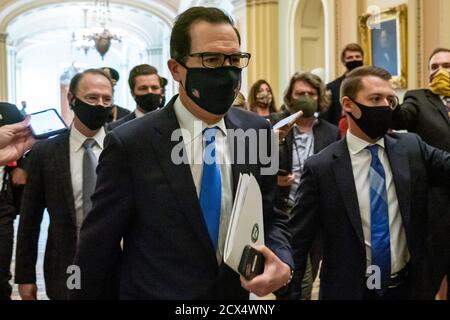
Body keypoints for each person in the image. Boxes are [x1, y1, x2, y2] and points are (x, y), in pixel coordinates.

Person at [70, 6, 293, 300]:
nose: (226, 71)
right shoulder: (131, 143)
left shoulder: (257, 131)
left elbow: (271, 216)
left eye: (234, 59)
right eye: (211, 59)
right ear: (176, 69)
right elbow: (98, 246)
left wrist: (284, 263)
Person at [289, 66, 450, 300]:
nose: (385, 106)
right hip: (349, 291)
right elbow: (299, 240)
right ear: (348, 104)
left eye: (390, 100)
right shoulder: (321, 167)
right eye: (375, 99)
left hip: (407, 288)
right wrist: (290, 293)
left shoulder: (411, 147)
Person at [14, 69, 113, 300]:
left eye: (106, 99)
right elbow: (30, 218)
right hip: (65, 261)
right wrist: (25, 276)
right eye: (91, 98)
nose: (99, 104)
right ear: (72, 99)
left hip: (116, 262)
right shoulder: (45, 152)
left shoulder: (123, 145)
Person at [273, 72, 340, 299]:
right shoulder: (274, 124)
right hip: (282, 210)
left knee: (310, 270)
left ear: (320, 97)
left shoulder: (331, 132)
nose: (306, 97)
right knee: (289, 272)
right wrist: (273, 178)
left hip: (316, 214)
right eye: (300, 93)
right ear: (290, 97)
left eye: (311, 94)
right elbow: (255, 166)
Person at [392, 47, 450, 299]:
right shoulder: (419, 98)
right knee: (426, 280)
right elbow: (399, 119)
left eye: (447, 65)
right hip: (435, 205)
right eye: (434, 67)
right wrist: (389, 100)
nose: (440, 71)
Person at [108, 64, 163, 130]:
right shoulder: (117, 128)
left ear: (161, 91)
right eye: (143, 88)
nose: (150, 92)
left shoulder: (173, 121)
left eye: (154, 88)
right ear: (132, 93)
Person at [323, 43, 364, 127]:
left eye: (357, 57)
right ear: (344, 61)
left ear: (362, 58)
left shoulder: (373, 85)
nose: (354, 60)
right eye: (350, 58)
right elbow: (325, 119)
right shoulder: (331, 87)